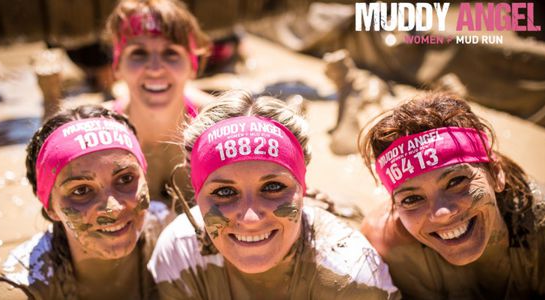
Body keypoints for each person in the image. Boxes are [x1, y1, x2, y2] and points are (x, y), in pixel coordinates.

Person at [149, 90, 399, 299]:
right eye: (224, 192)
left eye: (272, 187)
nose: (250, 218)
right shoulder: (180, 253)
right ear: (196, 193)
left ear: (304, 187)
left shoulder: (350, 273)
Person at [358, 92, 545, 299]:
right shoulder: (389, 247)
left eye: (456, 182)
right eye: (412, 199)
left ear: (496, 174)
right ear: (395, 205)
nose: (441, 213)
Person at [0, 105, 170, 299]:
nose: (113, 209)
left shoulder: (175, 236)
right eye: (81, 190)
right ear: (50, 207)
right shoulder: (20, 289)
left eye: (125, 179)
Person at [106, 0, 213, 209]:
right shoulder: (100, 129)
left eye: (171, 53)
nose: (155, 69)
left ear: (193, 66)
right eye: (139, 53)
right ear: (117, 66)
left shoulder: (217, 123)